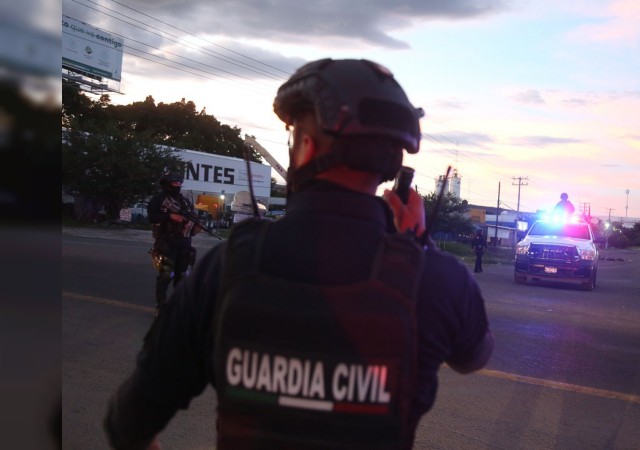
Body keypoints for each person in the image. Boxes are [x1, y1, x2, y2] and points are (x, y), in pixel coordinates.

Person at [105, 58, 493, 450]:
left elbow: (128, 424)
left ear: (305, 147)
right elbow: (472, 357)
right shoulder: (440, 278)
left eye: (293, 135)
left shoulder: (227, 268)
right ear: (393, 160)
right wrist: (418, 246)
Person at [146, 168, 200, 315]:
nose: (177, 185)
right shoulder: (158, 200)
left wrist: (196, 226)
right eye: (175, 182)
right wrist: (170, 216)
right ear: (167, 184)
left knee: (182, 277)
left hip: (184, 243)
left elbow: (193, 218)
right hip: (166, 243)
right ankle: (160, 305)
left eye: (179, 183)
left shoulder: (185, 202)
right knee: (165, 276)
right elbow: (152, 217)